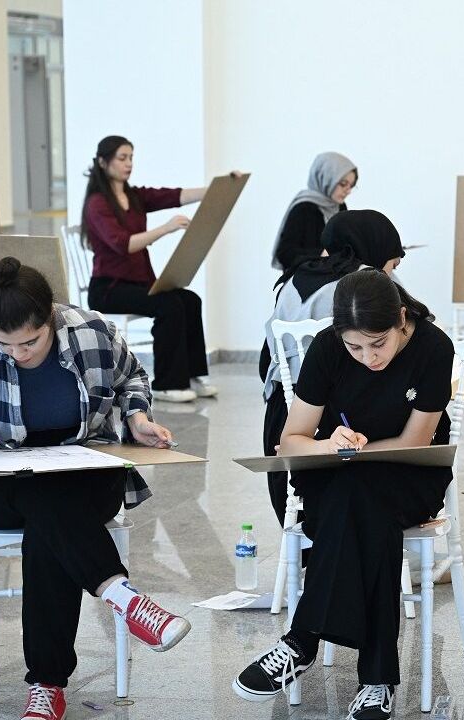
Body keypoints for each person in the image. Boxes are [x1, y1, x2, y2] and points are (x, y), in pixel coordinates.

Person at [0, 257, 192, 720]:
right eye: (5, 344)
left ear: (50, 316)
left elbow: (132, 377)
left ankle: (47, 687)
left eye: (30, 341)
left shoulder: (92, 330)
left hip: (82, 466)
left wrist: (136, 417)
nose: (18, 353)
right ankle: (123, 598)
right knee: (44, 496)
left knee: (48, 516)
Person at [235, 270, 454, 720]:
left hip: (408, 470)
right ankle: (376, 680)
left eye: (378, 344)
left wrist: (361, 452)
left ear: (400, 319)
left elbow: (414, 442)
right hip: (337, 472)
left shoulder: (434, 347)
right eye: (355, 347)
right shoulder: (327, 348)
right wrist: (329, 446)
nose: (368, 357)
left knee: (361, 498)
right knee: (364, 509)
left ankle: (301, 641)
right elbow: (291, 440)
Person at [260, 209, 405, 527]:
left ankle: (305, 543)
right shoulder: (366, 285)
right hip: (342, 419)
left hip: (282, 411)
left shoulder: (294, 277)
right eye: (393, 264)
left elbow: (267, 357)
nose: (392, 272)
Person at [80, 134, 234, 403]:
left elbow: (173, 196)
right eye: (122, 158)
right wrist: (166, 228)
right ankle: (166, 384)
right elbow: (123, 244)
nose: (129, 163)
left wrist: (219, 187)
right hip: (108, 289)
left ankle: (193, 375)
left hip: (137, 283)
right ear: (103, 162)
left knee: (189, 300)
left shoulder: (133, 195)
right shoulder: (98, 203)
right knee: (169, 305)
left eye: (131, 157)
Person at [270, 151, 357, 271]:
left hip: (332, 274)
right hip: (304, 277)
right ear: (325, 178)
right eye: (343, 184)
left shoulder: (340, 207)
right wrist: (320, 254)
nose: (348, 191)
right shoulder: (304, 207)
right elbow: (285, 254)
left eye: (351, 186)